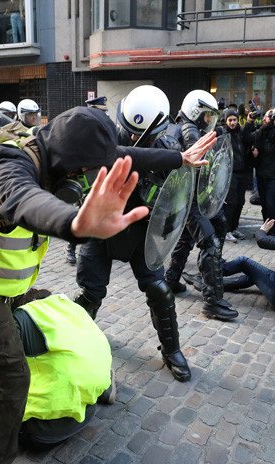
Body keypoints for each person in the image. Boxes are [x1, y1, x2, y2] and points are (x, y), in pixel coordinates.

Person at [0, 105, 218, 463]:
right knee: (11, 383)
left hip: (5, 281)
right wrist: (75, 223)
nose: (86, 183)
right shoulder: (7, 164)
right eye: (85, 175)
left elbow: (125, 154)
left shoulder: (55, 145)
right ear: (69, 168)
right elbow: (21, 199)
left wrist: (179, 157)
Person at [75, 85, 208, 383]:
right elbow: (113, 159)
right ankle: (72, 343)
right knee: (90, 292)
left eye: (140, 134)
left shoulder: (170, 146)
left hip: (141, 231)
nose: (134, 138)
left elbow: (177, 199)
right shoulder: (108, 135)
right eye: (129, 131)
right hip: (101, 227)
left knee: (159, 290)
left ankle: (172, 349)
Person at [0, 292, 114, 449]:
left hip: (44, 431)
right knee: (55, 360)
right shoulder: (63, 306)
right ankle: (104, 387)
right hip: (88, 409)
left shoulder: (16, 322)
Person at [164, 89, 237, 322]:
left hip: (189, 198)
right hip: (188, 198)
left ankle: (171, 281)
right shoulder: (189, 130)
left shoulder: (185, 128)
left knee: (186, 240)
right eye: (206, 116)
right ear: (195, 111)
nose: (208, 121)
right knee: (210, 242)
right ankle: (212, 302)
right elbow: (201, 163)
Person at [66, 95, 110, 266]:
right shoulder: (82, 129)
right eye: (101, 112)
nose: (104, 116)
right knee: (81, 212)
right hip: (84, 177)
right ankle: (71, 247)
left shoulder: (104, 129)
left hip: (99, 174)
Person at [217, 108, 253, 243]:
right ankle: (225, 231)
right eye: (230, 120)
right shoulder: (222, 132)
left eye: (235, 120)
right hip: (229, 173)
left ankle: (233, 228)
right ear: (226, 120)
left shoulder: (241, 133)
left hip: (242, 173)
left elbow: (249, 139)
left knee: (240, 202)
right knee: (230, 203)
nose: (232, 122)